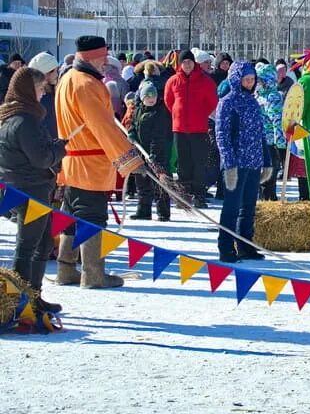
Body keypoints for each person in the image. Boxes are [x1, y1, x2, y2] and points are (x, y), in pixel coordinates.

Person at [55, 35, 144, 288]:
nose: (106, 62)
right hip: (89, 163)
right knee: (93, 216)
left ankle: (66, 269)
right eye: (103, 57)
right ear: (91, 56)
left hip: (72, 161)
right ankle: (93, 273)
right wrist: (129, 159)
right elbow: (103, 127)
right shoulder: (87, 85)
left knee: (71, 215)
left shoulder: (67, 79)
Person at [0, 67, 67, 313]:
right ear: (29, 89)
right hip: (30, 190)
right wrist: (59, 149)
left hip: (18, 187)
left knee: (41, 244)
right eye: (39, 89)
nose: (42, 94)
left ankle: (33, 296)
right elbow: (40, 158)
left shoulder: (8, 115)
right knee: (28, 246)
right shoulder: (25, 119)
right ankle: (19, 302)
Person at [214, 61, 273, 263]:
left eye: (252, 79)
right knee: (232, 207)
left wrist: (266, 160)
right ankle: (226, 247)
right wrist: (229, 164)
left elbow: (260, 134)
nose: (249, 83)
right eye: (246, 79)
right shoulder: (227, 102)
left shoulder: (253, 101)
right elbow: (222, 135)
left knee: (248, 207)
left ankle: (245, 246)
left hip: (254, 162)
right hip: (236, 164)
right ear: (236, 80)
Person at [163, 49, 218, 208]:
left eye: (189, 62)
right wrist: (176, 113)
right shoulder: (173, 81)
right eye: (184, 62)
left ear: (194, 64)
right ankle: (184, 195)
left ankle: (199, 195)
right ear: (180, 64)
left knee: (198, 163)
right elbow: (168, 101)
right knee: (182, 163)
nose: (187, 65)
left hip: (199, 128)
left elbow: (212, 101)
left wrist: (201, 114)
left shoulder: (205, 81)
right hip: (179, 128)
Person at [129, 80, 173, 220]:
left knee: (160, 184)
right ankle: (143, 211)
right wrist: (132, 133)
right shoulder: (137, 110)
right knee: (142, 182)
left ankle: (163, 212)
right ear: (142, 97)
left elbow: (159, 135)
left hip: (157, 154)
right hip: (141, 153)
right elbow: (133, 124)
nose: (151, 98)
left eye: (153, 96)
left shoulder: (160, 112)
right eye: (147, 96)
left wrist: (154, 153)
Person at [255, 62, 285, 201]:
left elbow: (277, 121)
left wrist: (280, 144)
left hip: (270, 143)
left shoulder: (273, 96)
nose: (257, 83)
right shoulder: (258, 95)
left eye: (260, 80)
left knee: (269, 173)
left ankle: (269, 198)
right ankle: (263, 198)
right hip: (259, 140)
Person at [28, 52, 60, 140]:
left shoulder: (54, 91)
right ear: (46, 73)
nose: (57, 75)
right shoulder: (38, 98)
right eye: (55, 71)